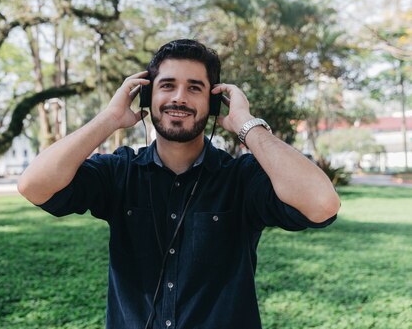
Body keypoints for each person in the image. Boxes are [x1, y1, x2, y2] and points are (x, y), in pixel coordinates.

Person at [18, 39, 340, 329]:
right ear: (148, 95)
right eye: (167, 85)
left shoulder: (240, 178)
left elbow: (321, 203)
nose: (179, 98)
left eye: (194, 88)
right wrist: (110, 119)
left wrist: (246, 125)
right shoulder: (120, 172)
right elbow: (34, 185)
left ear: (213, 104)